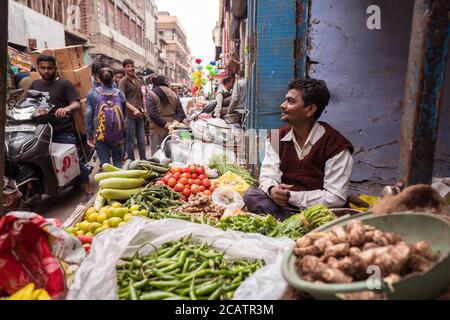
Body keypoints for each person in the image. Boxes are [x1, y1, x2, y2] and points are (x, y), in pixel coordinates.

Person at [243, 79, 354, 221]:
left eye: (290, 101)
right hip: (285, 207)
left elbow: (335, 198)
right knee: (251, 195)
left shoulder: (335, 145)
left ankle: (288, 223)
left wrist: (290, 196)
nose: (282, 105)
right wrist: (272, 190)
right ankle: (290, 223)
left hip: (318, 212)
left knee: (331, 215)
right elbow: (268, 175)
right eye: (285, 100)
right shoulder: (277, 137)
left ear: (310, 109)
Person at [29, 54, 92, 195]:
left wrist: (67, 109)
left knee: (72, 160)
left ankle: (87, 188)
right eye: (42, 68)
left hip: (62, 130)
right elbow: (28, 103)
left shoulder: (64, 84)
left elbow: (76, 103)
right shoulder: (34, 85)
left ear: (55, 68)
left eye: (49, 68)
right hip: (41, 132)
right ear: (37, 68)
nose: (46, 71)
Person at [86, 68, 127, 168]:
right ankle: (119, 182)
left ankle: (106, 182)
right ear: (113, 78)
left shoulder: (92, 93)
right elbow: (124, 114)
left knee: (105, 163)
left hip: (100, 133)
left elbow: (88, 114)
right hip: (117, 133)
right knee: (118, 162)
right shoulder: (119, 93)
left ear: (98, 80)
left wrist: (89, 135)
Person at [147, 74, 187, 155]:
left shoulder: (151, 94)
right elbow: (181, 113)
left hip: (157, 129)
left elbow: (153, 114)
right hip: (172, 130)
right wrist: (174, 123)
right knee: (169, 156)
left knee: (157, 155)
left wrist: (165, 124)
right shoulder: (174, 94)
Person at [118, 59, 147, 161]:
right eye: (128, 67)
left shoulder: (138, 80)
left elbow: (140, 96)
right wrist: (133, 109)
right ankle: (132, 164)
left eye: (132, 66)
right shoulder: (123, 81)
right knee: (130, 141)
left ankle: (144, 161)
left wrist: (144, 108)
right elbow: (122, 99)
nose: (130, 68)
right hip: (129, 116)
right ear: (124, 68)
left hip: (139, 115)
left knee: (142, 140)